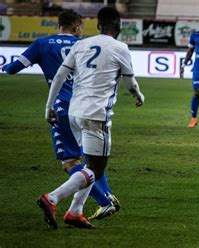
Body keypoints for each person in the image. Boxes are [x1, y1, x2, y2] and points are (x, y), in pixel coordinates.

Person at [1, 9, 119, 220]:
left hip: (62, 109)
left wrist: (7, 65)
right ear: (76, 27)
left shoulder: (42, 44)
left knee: (71, 162)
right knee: (92, 157)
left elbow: (12, 69)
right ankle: (105, 196)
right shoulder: (84, 45)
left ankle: (104, 201)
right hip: (87, 107)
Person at [37, 7, 144, 229]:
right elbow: (130, 84)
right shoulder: (120, 47)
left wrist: (49, 106)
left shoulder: (80, 44)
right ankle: (53, 198)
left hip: (74, 112)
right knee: (96, 168)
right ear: (119, 25)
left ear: (98, 25)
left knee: (88, 163)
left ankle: (75, 212)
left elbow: (59, 76)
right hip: (97, 115)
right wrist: (139, 95)